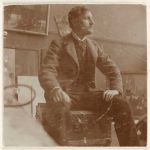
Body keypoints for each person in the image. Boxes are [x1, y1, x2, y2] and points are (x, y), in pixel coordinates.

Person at [38, 6, 139, 146]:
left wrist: (115, 89)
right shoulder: (59, 44)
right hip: (65, 94)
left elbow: (113, 70)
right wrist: (55, 89)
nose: (93, 22)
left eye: (92, 19)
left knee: (121, 103)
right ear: (74, 21)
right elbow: (47, 70)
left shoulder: (94, 46)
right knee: (59, 110)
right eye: (87, 18)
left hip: (87, 95)